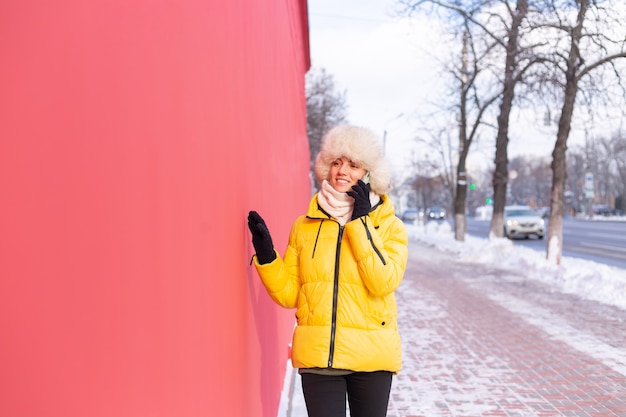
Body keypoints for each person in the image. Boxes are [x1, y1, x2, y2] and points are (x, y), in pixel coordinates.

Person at [247, 125, 408, 417]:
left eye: (353, 165)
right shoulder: (304, 225)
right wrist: (268, 257)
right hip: (320, 357)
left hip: (371, 357)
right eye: (336, 162)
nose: (342, 171)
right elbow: (290, 295)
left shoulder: (390, 226)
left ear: (370, 174)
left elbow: (383, 281)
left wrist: (359, 223)